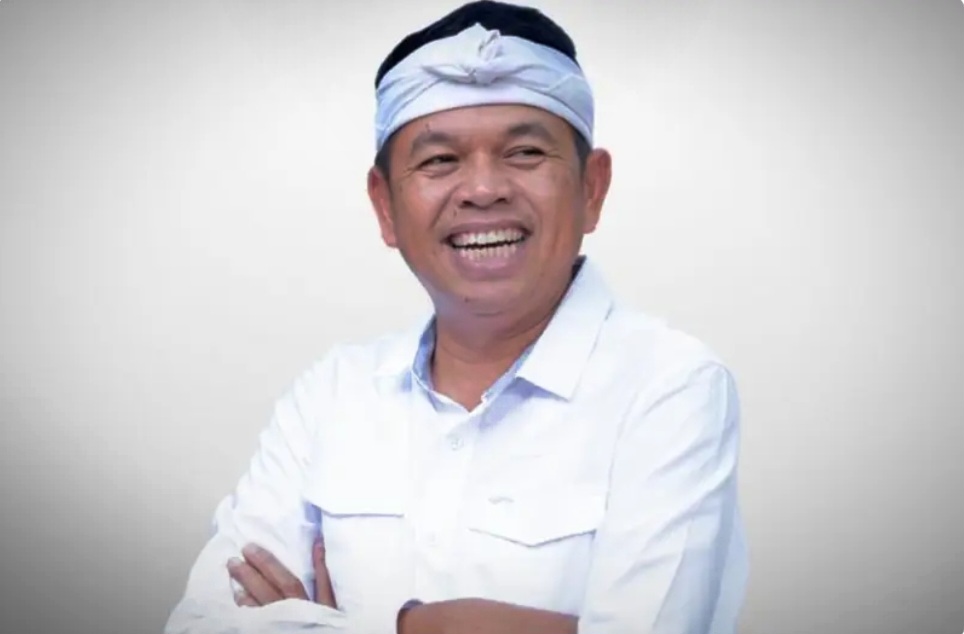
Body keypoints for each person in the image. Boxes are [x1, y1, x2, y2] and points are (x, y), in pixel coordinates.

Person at [164, 2, 748, 633]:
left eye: (525, 152)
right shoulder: (331, 395)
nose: (483, 189)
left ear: (591, 189)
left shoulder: (670, 386)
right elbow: (198, 624)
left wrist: (379, 625)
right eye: (439, 161)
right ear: (385, 207)